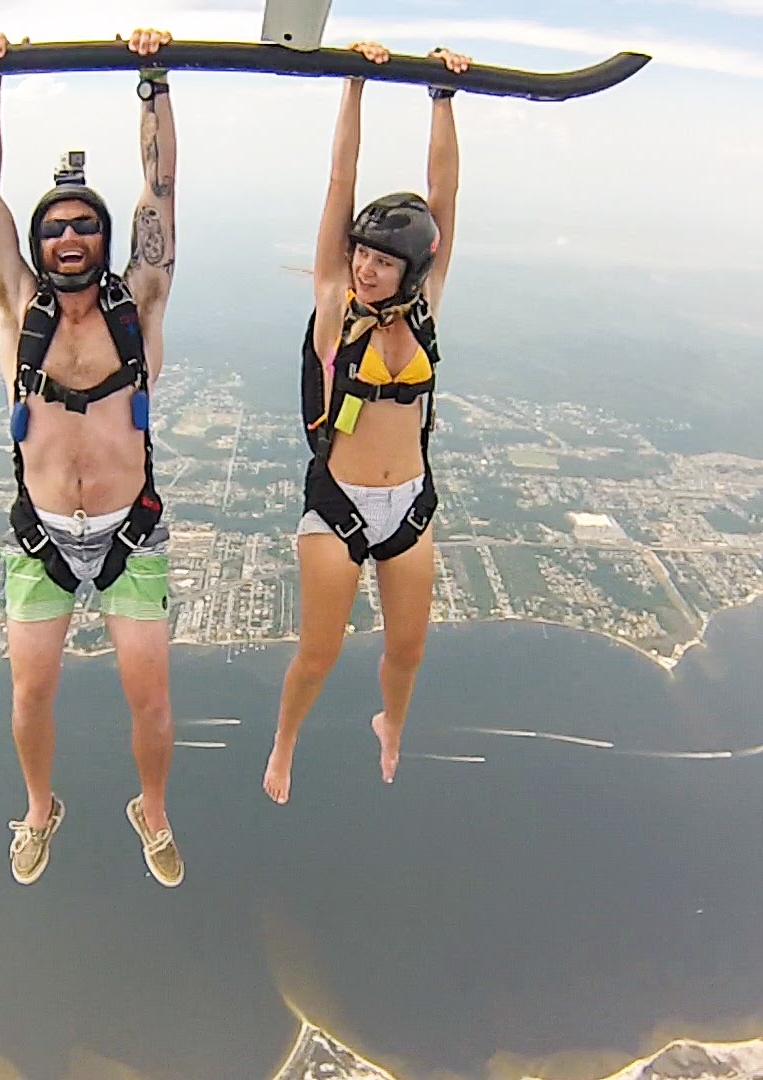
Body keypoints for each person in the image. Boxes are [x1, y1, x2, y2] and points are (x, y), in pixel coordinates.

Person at [0, 28, 184, 885]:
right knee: (30, 698)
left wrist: (152, 80)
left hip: (132, 530)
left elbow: (162, 188)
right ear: (39, 239)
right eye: (52, 228)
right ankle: (37, 810)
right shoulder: (18, 306)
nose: (66, 239)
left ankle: (153, 813)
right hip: (43, 532)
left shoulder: (144, 302)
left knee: (152, 701)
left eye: (82, 228)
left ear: (101, 238)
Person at [264, 41, 470, 805]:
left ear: (412, 270)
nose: (365, 268)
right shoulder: (333, 309)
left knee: (408, 652)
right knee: (317, 654)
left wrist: (441, 98)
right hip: (341, 502)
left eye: (383, 261)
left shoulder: (424, 311)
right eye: (361, 254)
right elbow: (338, 182)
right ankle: (284, 742)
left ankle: (392, 723)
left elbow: (444, 199)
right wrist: (354, 86)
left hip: (410, 501)